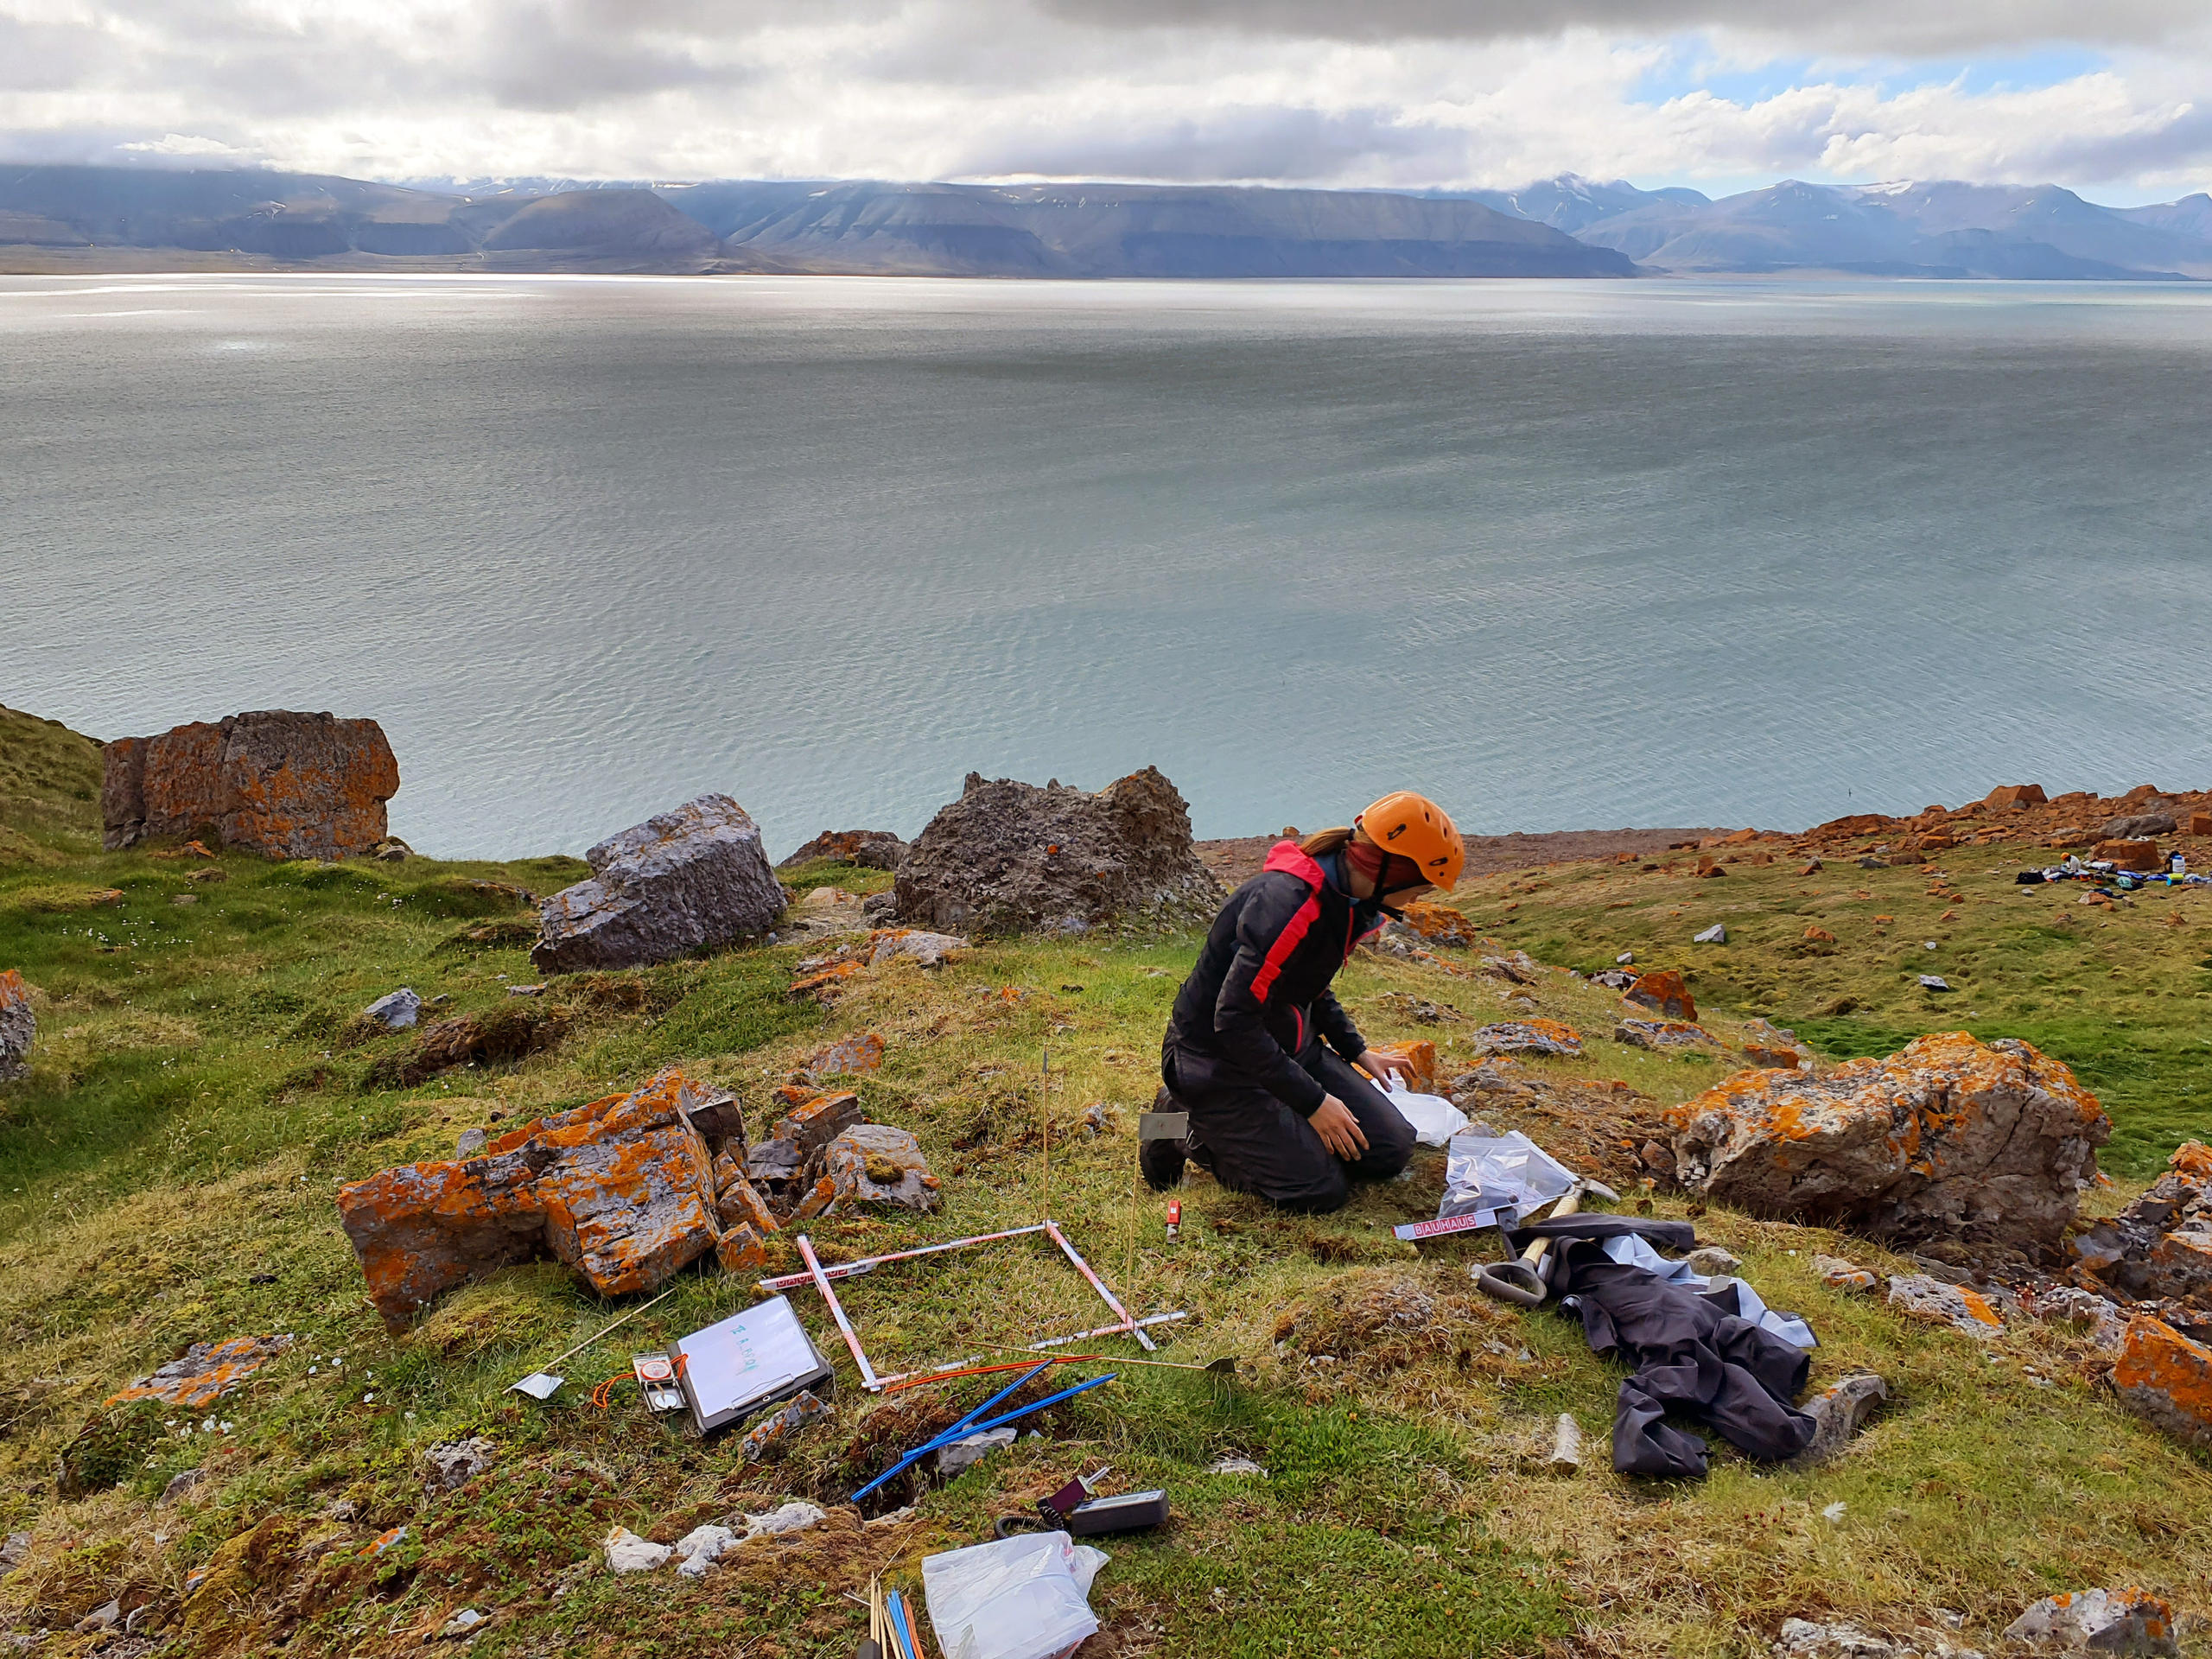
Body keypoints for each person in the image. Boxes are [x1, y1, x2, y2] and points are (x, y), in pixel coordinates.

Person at [1145, 791, 1467, 1212]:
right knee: (1317, 1191)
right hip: (1214, 1063)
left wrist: (1356, 1050)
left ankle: (1273, 1127)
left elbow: (1311, 985)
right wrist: (1314, 1103)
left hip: (1287, 1051)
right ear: (1392, 870)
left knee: (1389, 1150)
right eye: (1420, 887)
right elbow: (1234, 1021)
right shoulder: (1286, 904)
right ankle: (1175, 1121)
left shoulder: (1348, 902)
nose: (1418, 900)